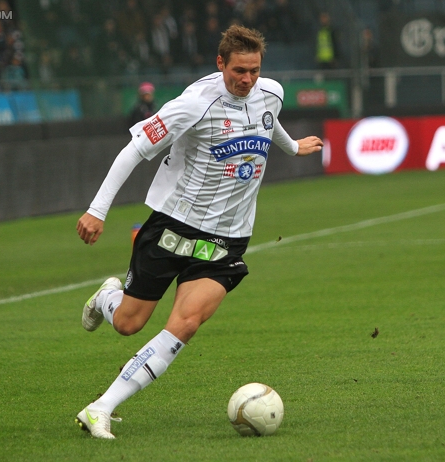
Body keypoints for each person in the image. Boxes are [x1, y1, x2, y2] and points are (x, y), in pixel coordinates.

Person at [75, 24, 323, 439]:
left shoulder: (271, 92)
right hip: (175, 227)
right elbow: (134, 150)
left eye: (254, 71)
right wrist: (97, 211)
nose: (247, 80)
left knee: (186, 323)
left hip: (227, 239)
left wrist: (293, 146)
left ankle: (101, 407)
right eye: (238, 71)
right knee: (129, 324)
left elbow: (269, 121)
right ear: (220, 63)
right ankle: (106, 298)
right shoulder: (192, 105)